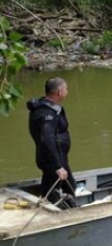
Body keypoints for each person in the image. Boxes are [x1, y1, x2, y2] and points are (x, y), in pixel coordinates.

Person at [27, 77, 76, 206]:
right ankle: (64, 217)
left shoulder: (43, 107)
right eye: (66, 89)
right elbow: (47, 139)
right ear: (59, 91)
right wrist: (58, 166)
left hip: (55, 158)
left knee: (68, 186)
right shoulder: (47, 113)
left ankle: (69, 211)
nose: (67, 92)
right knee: (53, 192)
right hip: (53, 160)